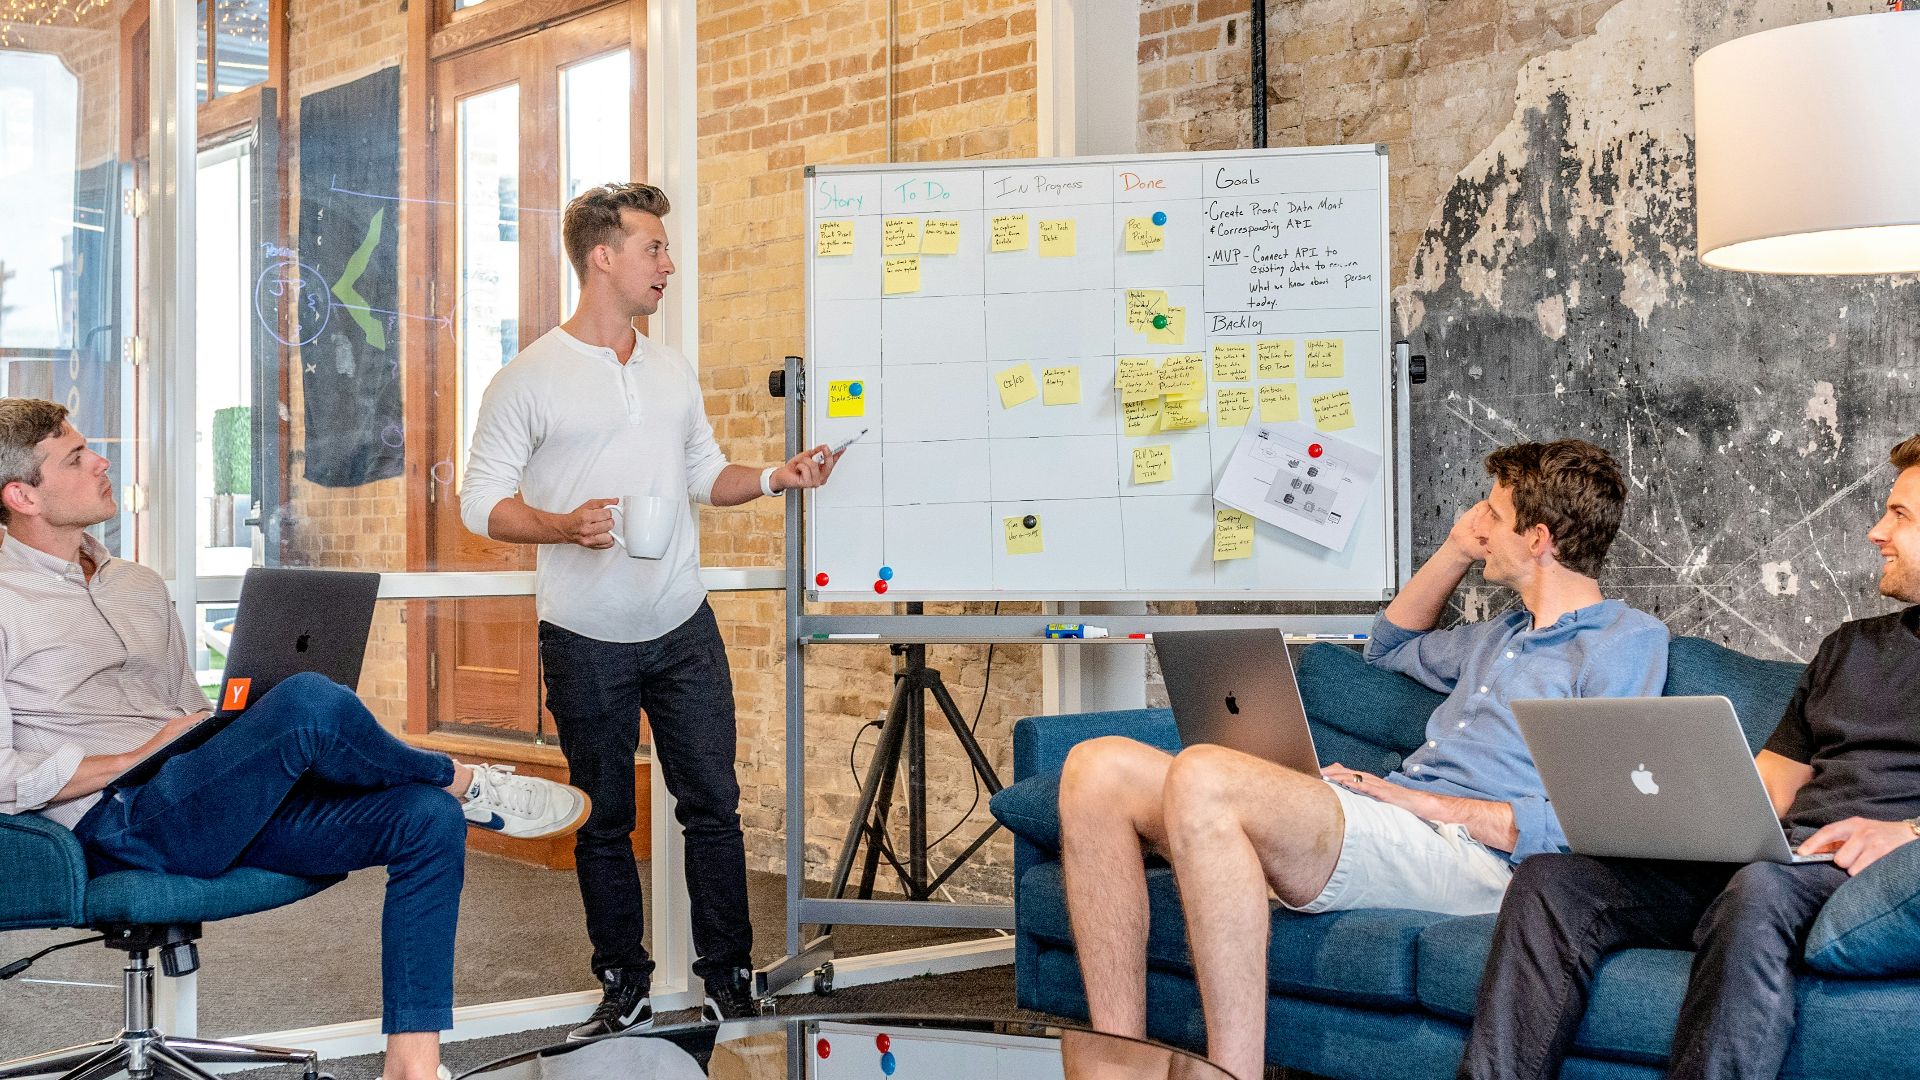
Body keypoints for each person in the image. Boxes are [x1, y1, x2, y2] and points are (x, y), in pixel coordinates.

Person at [0, 398, 589, 1080]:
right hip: (117, 821)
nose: (102, 461)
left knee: (424, 818)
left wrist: (233, 736)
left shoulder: (137, 584)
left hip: (197, 795)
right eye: (76, 458)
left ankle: (412, 1065)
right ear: (22, 496)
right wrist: (135, 756)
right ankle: (461, 779)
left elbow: (187, 709)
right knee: (310, 702)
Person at [1058, 439, 1670, 1080]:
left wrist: (1432, 804)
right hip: (1395, 822)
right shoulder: (1499, 637)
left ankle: (1231, 1073)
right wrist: (1456, 549)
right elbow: (1388, 647)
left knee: (1205, 774)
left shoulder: (1622, 643)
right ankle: (1115, 1065)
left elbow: (1602, 817)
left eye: (1492, 513)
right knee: (1096, 770)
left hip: (1473, 857)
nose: (1478, 523)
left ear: (1538, 538)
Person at [459, 182, 843, 1039]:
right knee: (603, 818)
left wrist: (775, 476)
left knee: (713, 806)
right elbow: (480, 503)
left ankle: (727, 979)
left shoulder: (670, 370)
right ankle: (623, 986)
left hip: (681, 623)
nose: (668, 264)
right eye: (654, 248)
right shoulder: (528, 377)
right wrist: (563, 524)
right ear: (603, 256)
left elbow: (705, 474)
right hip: (584, 634)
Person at [1457, 433, 1920, 1080]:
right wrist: (1683, 815)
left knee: (1760, 889)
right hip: (1780, 859)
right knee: (1551, 880)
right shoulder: (1850, 647)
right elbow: (1771, 787)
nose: (1876, 531)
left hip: (1857, 873)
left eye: (1899, 515)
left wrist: (1909, 833)